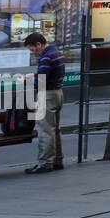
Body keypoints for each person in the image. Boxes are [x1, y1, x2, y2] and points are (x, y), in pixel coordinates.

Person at [23, 32, 64, 173]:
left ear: (39, 44)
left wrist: (27, 80)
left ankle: (45, 163)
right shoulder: (55, 52)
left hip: (47, 95)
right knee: (54, 130)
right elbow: (49, 75)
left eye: (32, 49)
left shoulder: (46, 56)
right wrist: (34, 75)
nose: (33, 52)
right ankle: (57, 160)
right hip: (58, 93)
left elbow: (42, 82)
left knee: (45, 130)